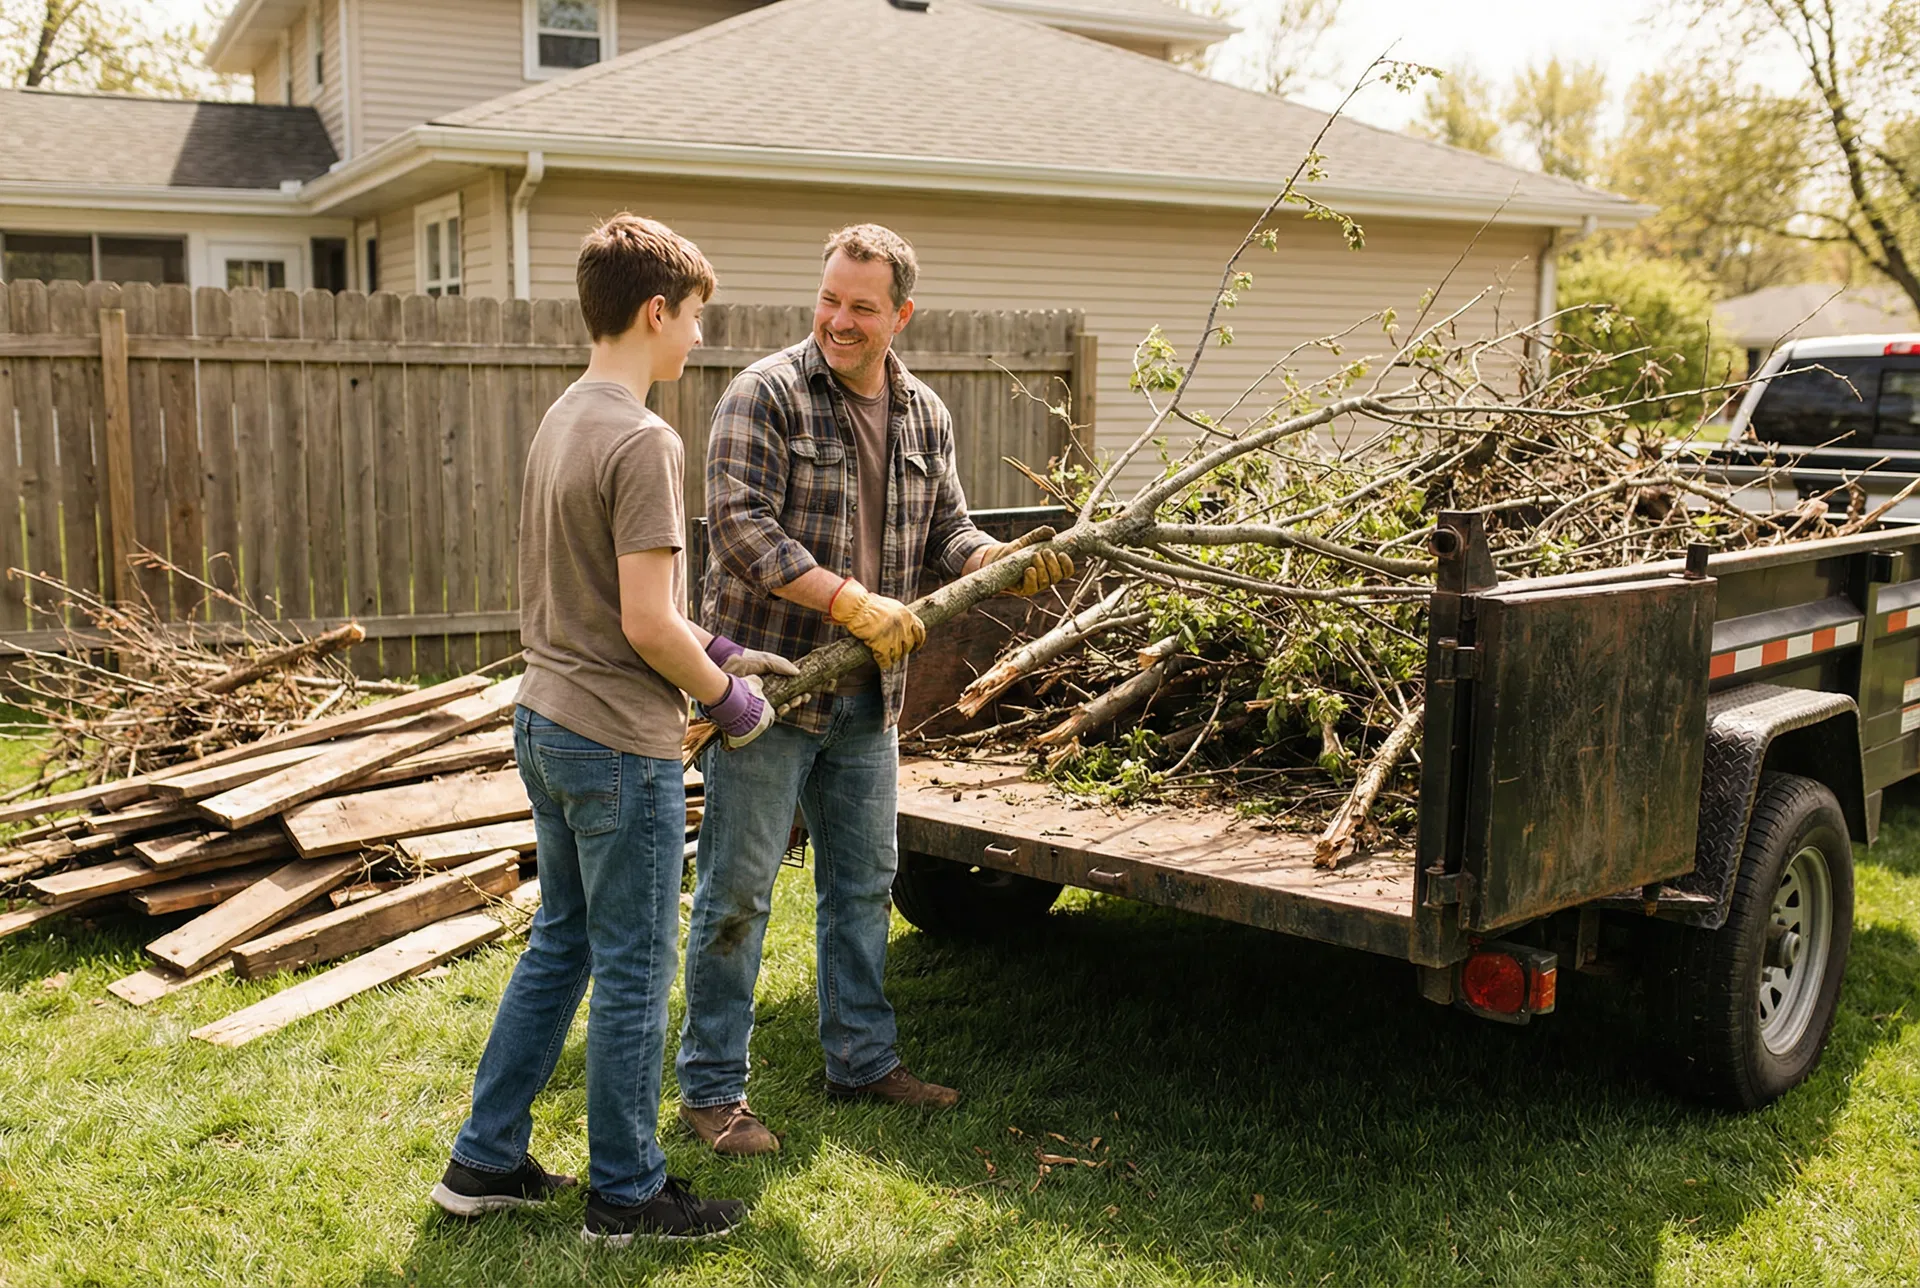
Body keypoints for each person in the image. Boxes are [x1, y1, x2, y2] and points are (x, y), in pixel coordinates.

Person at [430, 214, 797, 1244]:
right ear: (654, 311)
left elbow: (616, 600)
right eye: (692, 319)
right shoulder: (644, 437)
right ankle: (628, 1194)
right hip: (614, 742)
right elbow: (641, 622)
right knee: (636, 966)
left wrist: (718, 654)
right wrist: (732, 706)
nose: (696, 340)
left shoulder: (566, 416)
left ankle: (484, 1160)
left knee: (561, 946)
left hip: (544, 720)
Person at [678, 224, 1073, 1156]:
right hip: (768, 693)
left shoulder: (925, 414)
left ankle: (860, 1060)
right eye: (828, 299)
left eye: (861, 306)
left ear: (901, 314)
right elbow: (739, 529)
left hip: (870, 700)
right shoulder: (763, 395)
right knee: (738, 891)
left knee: (863, 885)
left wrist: (1002, 564)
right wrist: (850, 601)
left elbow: (951, 534)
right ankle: (711, 1093)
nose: (838, 321)